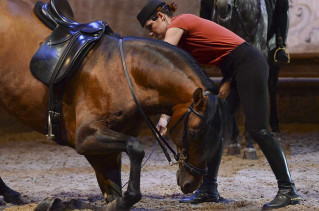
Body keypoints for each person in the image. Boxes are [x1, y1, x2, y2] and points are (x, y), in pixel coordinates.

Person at [136, 0, 300, 209]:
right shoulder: (183, 41)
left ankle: (288, 190)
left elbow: (162, 59)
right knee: (215, 126)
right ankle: (209, 189)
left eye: (151, 27)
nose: (151, 33)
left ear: (161, 17)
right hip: (234, 69)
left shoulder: (180, 23)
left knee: (258, 129)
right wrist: (165, 119)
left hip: (249, 63)